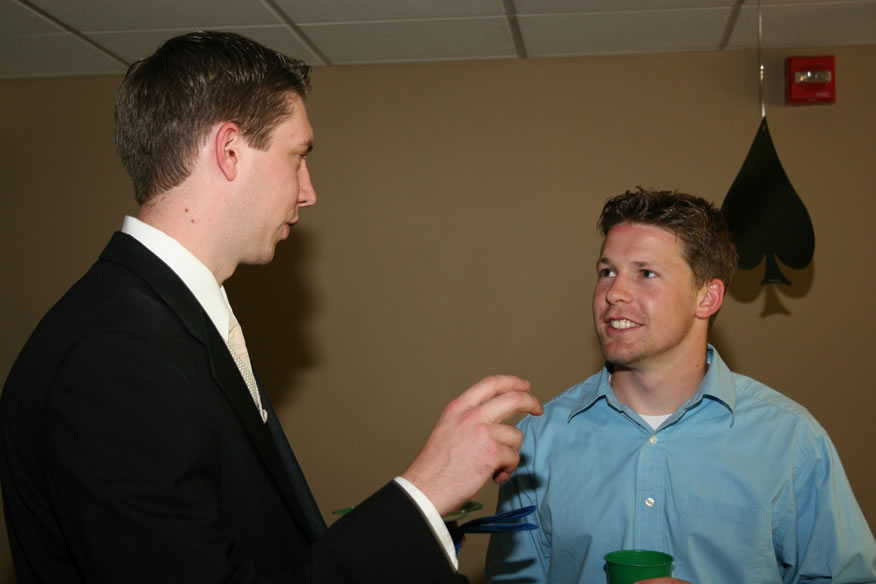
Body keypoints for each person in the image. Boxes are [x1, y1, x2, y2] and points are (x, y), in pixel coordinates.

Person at [0, 31, 543, 583]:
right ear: (230, 151)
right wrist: (425, 491)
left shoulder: (163, 323)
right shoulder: (116, 360)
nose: (308, 191)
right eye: (298, 156)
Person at [485, 188, 876, 583]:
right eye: (607, 272)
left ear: (707, 297)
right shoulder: (539, 441)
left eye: (646, 273)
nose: (613, 293)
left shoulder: (790, 440)